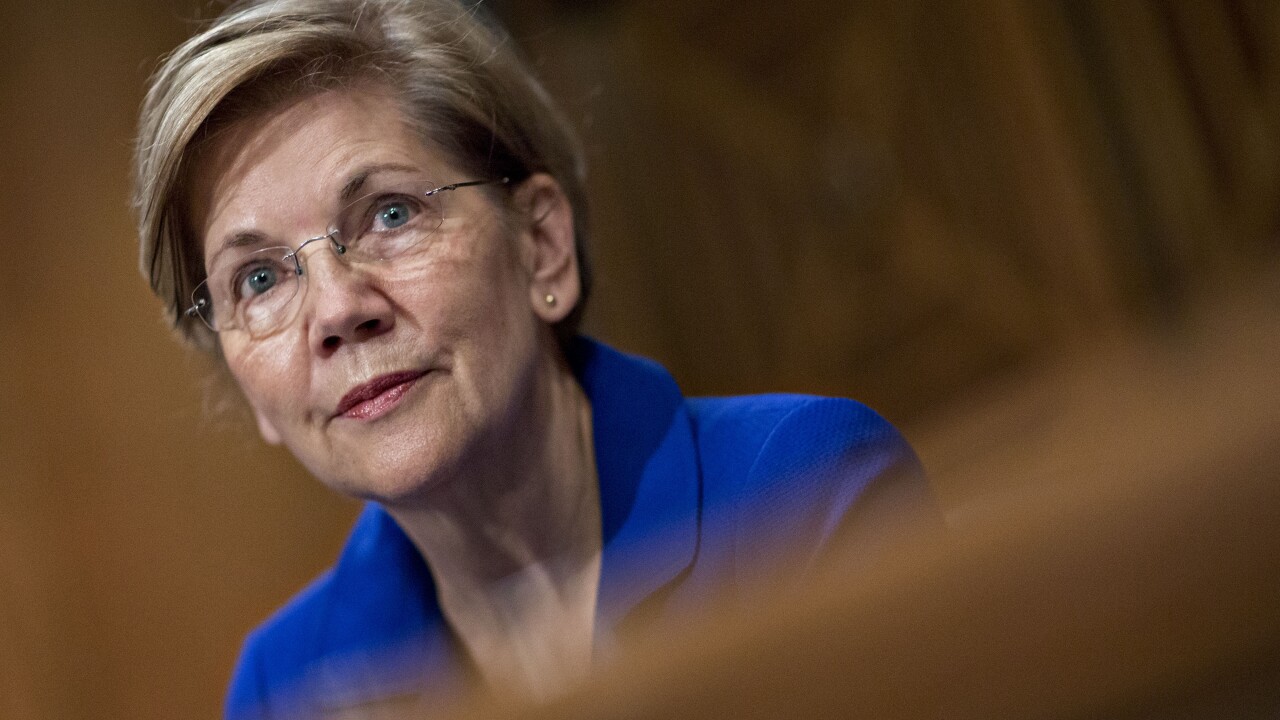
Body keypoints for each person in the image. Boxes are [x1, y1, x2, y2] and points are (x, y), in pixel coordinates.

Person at [132, 0, 936, 717]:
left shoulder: (804, 493)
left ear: (543, 247)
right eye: (260, 278)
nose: (339, 309)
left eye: (389, 213)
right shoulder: (288, 690)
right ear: (248, 388)